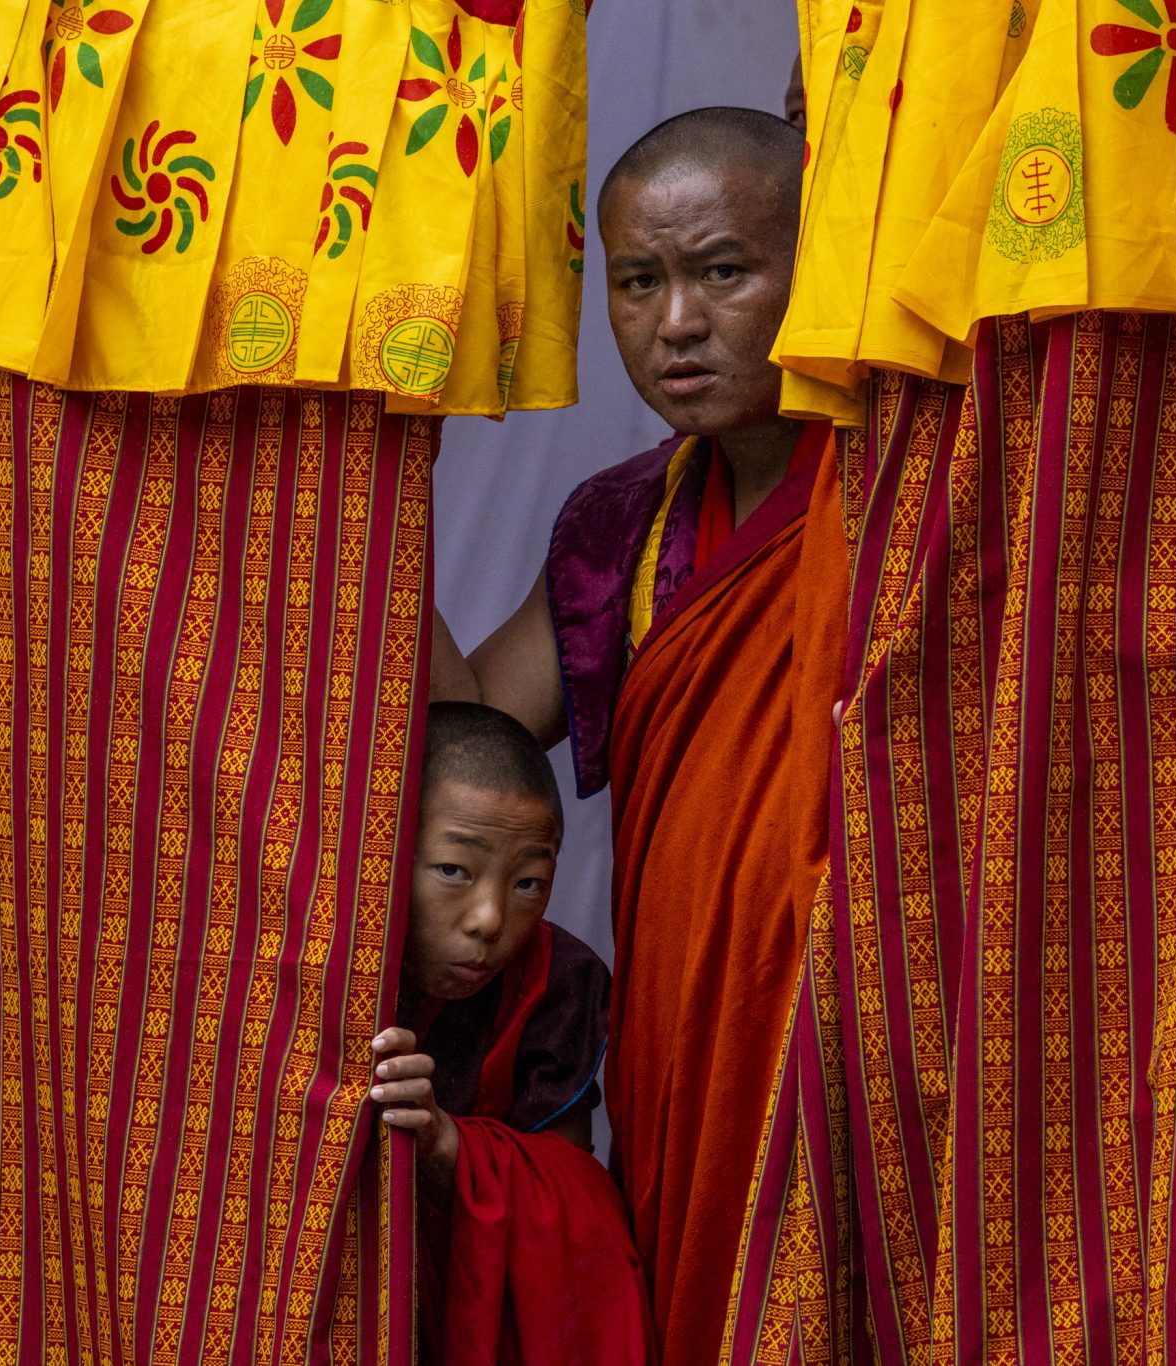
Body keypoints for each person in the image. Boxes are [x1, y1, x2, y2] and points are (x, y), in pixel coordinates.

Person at [430, 108, 844, 1364]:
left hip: (850, 1015)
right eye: (636, 282)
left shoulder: (907, 487)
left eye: (722, 271)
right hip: (683, 1040)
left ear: (813, 263)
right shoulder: (625, 524)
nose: (675, 323)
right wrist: (367, 506)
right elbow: (467, 734)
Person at [370, 701, 652, 1366]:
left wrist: (448, 1145)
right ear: (390, 851)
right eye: (454, 871)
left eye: (529, 882)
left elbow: (568, 1198)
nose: (490, 919)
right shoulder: (331, 958)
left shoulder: (559, 981)